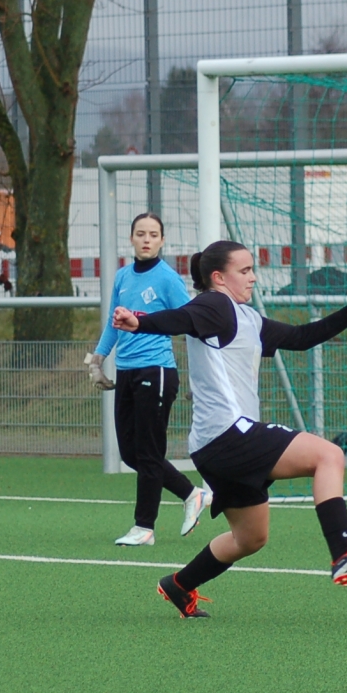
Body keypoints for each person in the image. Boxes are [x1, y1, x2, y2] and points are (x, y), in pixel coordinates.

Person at [113, 240, 347, 617]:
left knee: (250, 538)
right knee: (329, 455)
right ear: (218, 277)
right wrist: (140, 323)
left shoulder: (247, 318)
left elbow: (301, 338)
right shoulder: (214, 304)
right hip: (230, 434)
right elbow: (180, 318)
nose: (253, 278)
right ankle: (343, 553)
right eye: (244, 271)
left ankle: (179, 585)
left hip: (213, 446)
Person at [88, 212, 213, 546]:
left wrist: (200, 376)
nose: (146, 240)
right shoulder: (122, 277)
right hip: (126, 371)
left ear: (162, 240)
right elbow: (113, 322)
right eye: (140, 233)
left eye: (153, 234)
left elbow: (191, 322)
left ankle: (144, 527)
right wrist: (98, 358)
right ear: (131, 238)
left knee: (148, 451)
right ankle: (192, 494)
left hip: (156, 371)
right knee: (130, 453)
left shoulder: (167, 279)